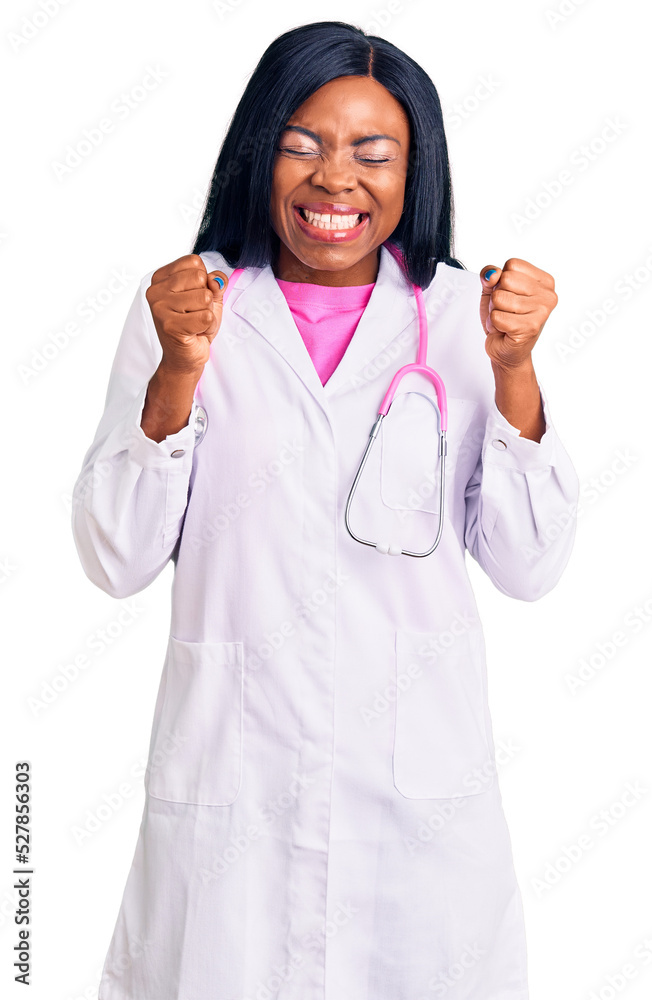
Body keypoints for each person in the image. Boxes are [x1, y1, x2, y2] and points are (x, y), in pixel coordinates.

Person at [71, 19, 579, 1000]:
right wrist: (179, 367)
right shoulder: (190, 310)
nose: (333, 180)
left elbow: (528, 564)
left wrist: (514, 369)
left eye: (371, 153)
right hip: (235, 791)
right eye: (302, 143)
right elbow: (115, 555)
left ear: (413, 170)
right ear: (258, 151)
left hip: (416, 801)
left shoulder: (464, 321)